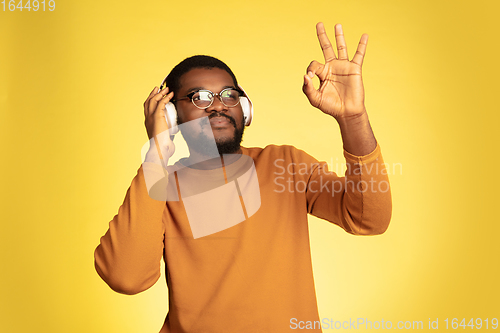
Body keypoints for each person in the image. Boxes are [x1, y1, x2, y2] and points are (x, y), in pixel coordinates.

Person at [94, 22, 392, 332]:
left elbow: (369, 219)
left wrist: (353, 117)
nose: (218, 106)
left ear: (245, 109)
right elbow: (125, 276)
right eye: (199, 98)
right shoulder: (159, 187)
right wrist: (156, 152)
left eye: (228, 95)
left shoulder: (284, 165)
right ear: (170, 115)